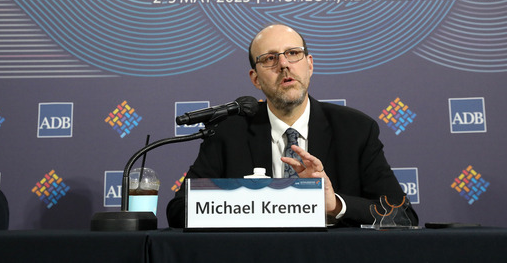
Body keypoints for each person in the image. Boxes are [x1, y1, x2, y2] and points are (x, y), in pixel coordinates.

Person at [167, 24, 418, 227]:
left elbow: (402, 215)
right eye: (269, 58)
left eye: (293, 53)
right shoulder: (228, 131)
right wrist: (251, 204)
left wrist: (335, 206)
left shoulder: (355, 129)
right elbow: (179, 210)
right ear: (255, 78)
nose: (284, 64)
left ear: (309, 64)